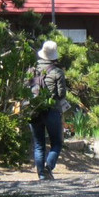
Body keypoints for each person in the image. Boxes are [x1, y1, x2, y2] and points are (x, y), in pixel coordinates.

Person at [29, 39, 68, 181]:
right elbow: (61, 94)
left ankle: (41, 175)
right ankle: (48, 167)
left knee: (39, 144)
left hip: (34, 110)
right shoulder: (57, 72)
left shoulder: (31, 69)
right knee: (56, 142)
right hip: (52, 110)